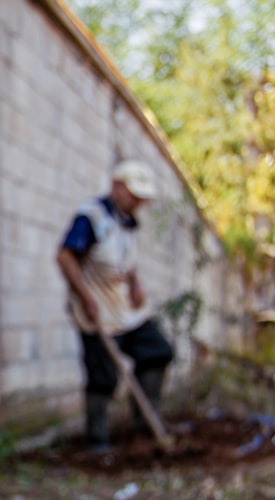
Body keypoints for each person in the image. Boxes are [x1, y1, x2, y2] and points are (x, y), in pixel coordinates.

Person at [56, 159, 174, 453]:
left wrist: (135, 285)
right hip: (96, 311)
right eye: (134, 195)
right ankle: (97, 441)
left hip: (126, 310)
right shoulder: (92, 217)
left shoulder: (128, 222)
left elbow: (125, 261)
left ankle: (144, 421)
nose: (139, 202)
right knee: (103, 376)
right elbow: (66, 257)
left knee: (157, 351)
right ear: (117, 187)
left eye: (142, 198)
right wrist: (85, 297)